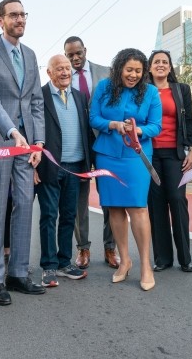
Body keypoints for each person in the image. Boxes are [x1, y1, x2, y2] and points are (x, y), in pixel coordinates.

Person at [0, 0, 45, 306]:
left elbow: (36, 103)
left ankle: (17, 273)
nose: (20, 19)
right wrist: (12, 132)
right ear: (0, 20)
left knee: (25, 207)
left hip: (27, 143)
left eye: (23, 14)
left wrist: (38, 142)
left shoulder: (30, 55)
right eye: (14, 15)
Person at [90, 48, 162, 291]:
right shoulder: (103, 87)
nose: (133, 75)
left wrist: (138, 130)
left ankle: (145, 265)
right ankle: (124, 260)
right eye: (129, 69)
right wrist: (112, 124)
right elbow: (93, 118)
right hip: (107, 154)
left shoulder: (151, 92)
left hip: (136, 156)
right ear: (119, 68)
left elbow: (156, 126)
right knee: (114, 208)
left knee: (138, 208)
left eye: (138, 71)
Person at [35, 55, 90, 287]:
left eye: (67, 68)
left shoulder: (78, 96)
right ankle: (48, 266)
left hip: (75, 166)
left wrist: (89, 162)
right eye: (59, 69)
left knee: (69, 216)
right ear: (49, 73)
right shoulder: (39, 96)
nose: (65, 72)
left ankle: (64, 262)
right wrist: (33, 165)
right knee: (49, 216)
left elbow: (85, 130)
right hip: (49, 166)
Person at [64, 36, 118, 269]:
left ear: (85, 50)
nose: (75, 58)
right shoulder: (64, 78)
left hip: (106, 142)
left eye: (78, 53)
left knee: (110, 198)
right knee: (79, 199)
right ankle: (83, 249)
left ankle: (110, 248)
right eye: (70, 55)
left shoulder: (106, 72)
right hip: (79, 145)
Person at [147, 50, 192, 273]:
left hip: (175, 154)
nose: (160, 65)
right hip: (149, 156)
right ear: (149, 67)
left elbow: (189, 121)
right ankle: (163, 259)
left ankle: (185, 257)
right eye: (156, 61)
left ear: (170, 67)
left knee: (177, 200)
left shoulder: (181, 89)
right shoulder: (142, 91)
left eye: (165, 62)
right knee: (156, 206)